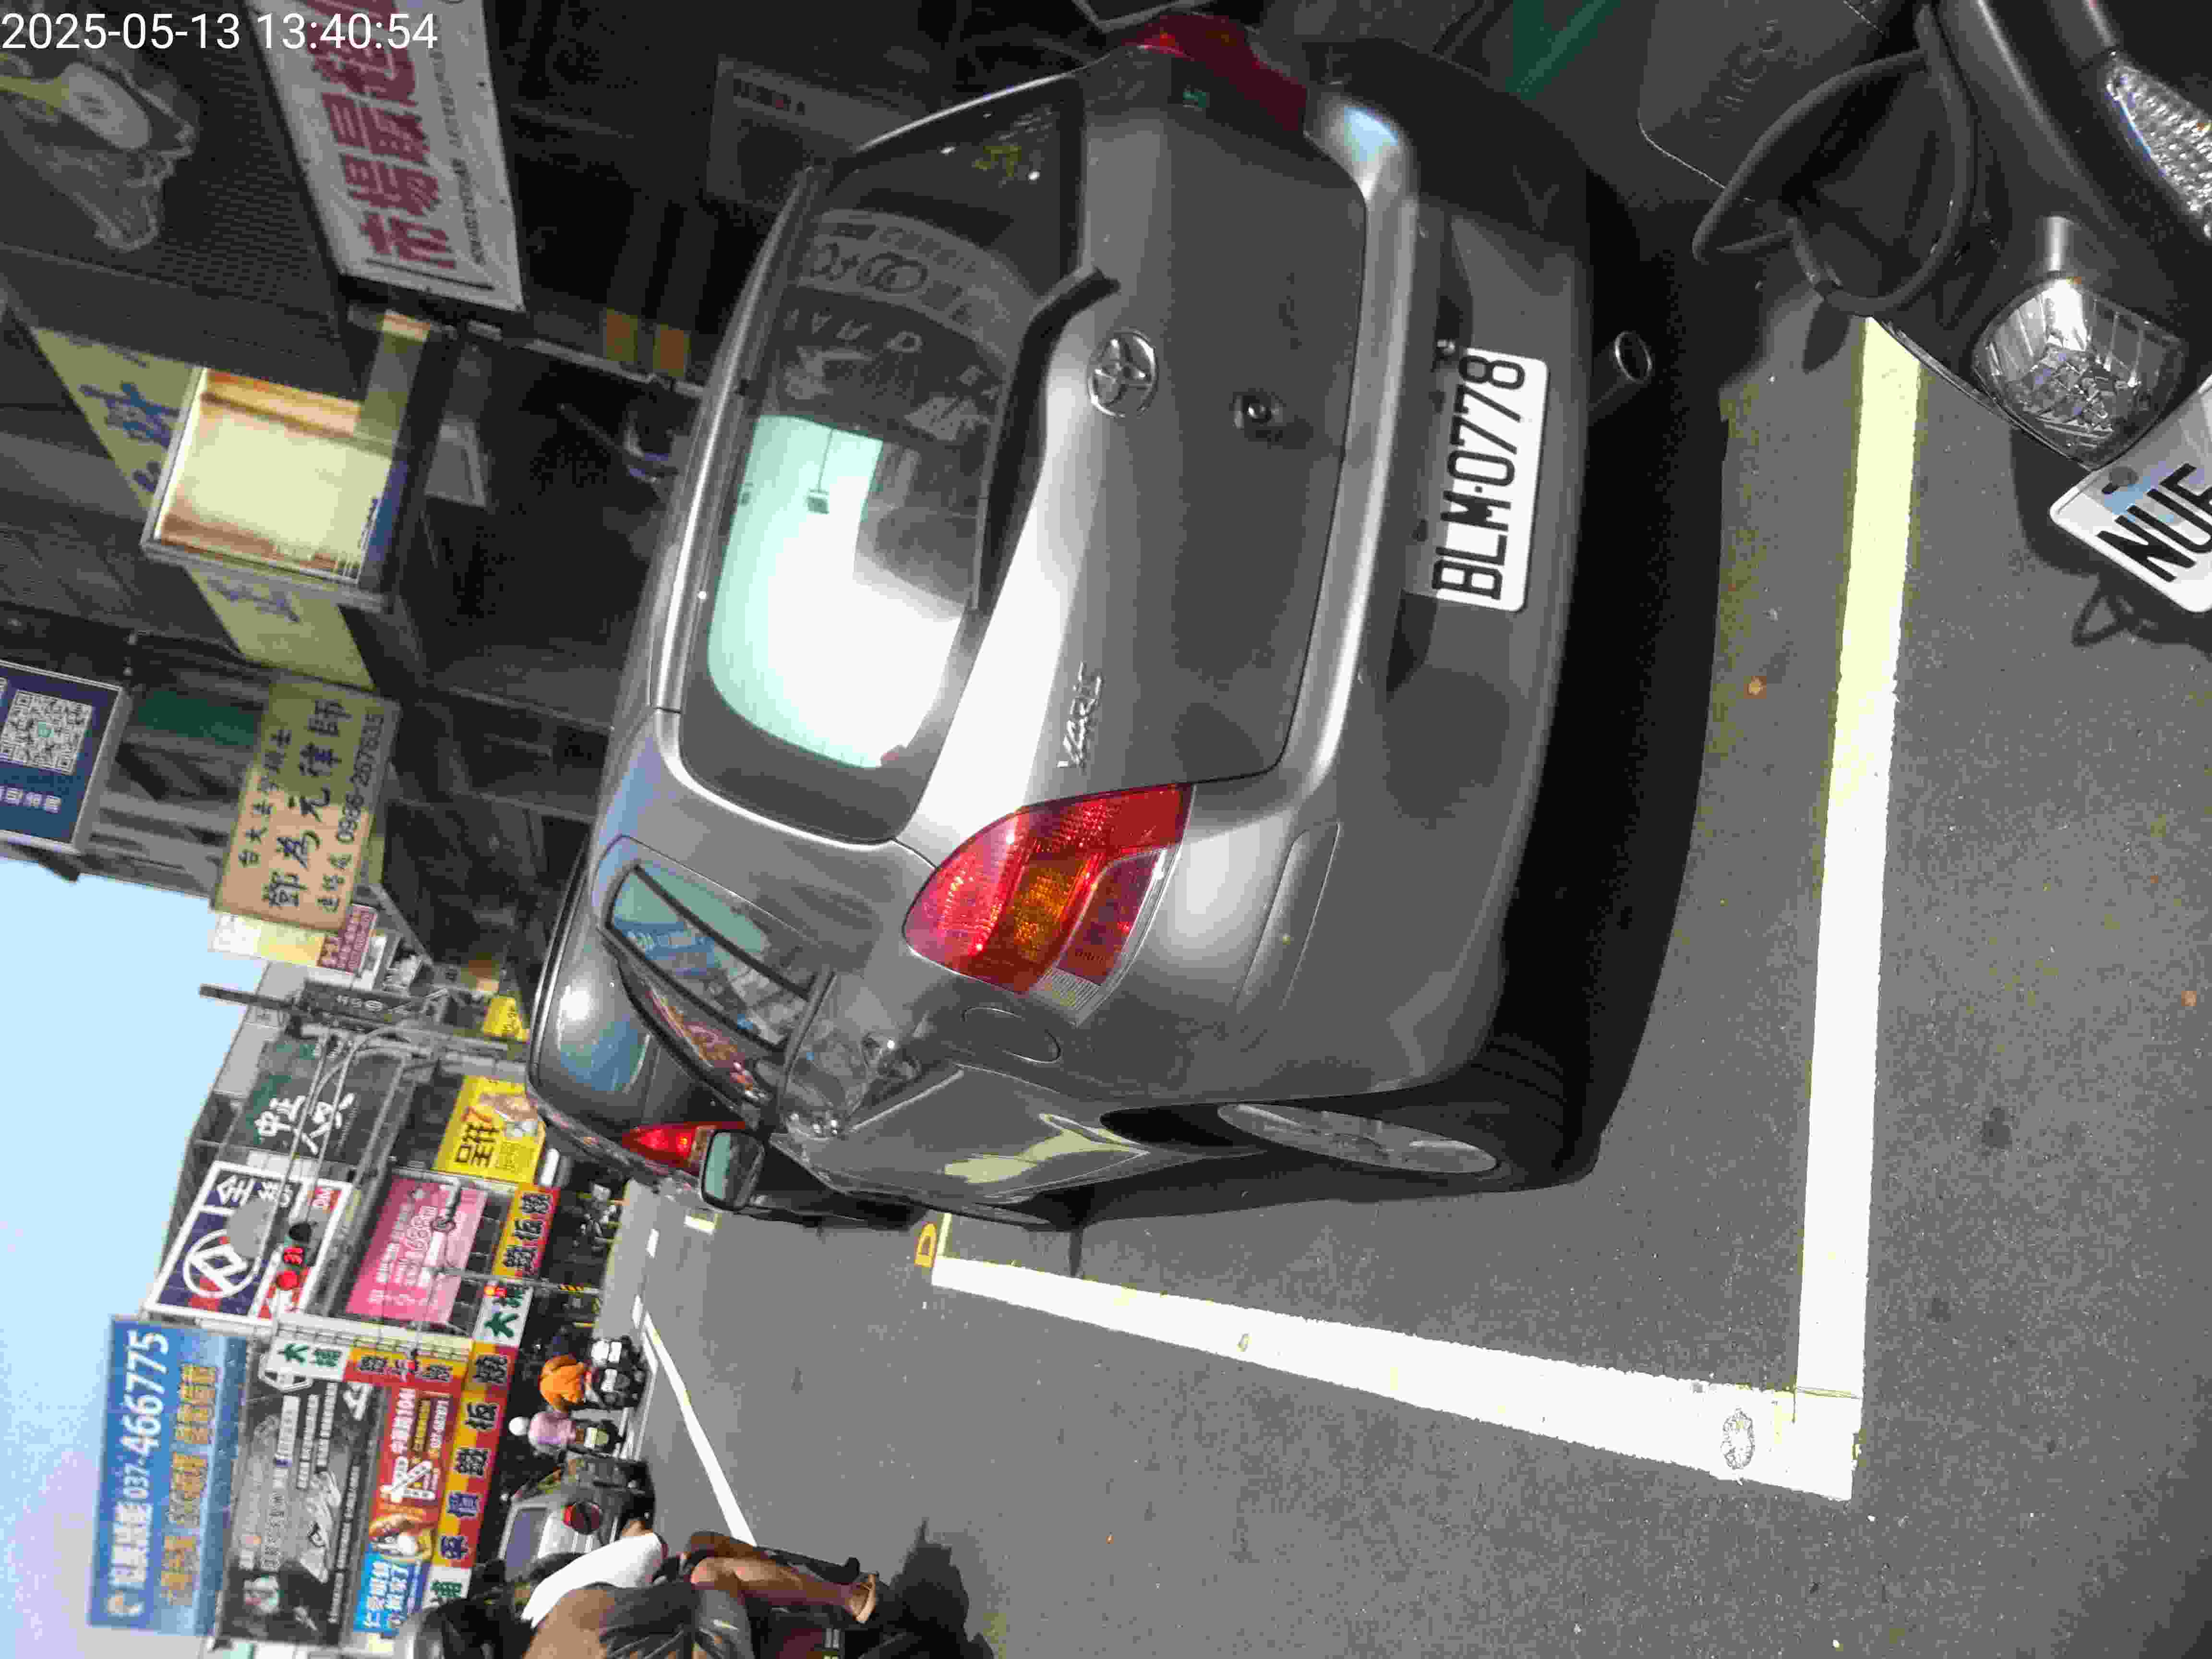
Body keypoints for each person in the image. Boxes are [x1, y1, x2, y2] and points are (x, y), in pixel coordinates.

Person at [519, 1517, 878, 1659]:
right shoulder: (564, 1610)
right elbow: (679, 1597)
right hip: (712, 1645)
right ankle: (845, 1597)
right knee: (708, 1563)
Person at [510, 1409, 618, 1456]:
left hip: (569, 1442)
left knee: (589, 1450)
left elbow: (550, 1450)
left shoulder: (533, 1440)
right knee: (593, 1425)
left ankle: (606, 1448)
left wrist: (558, 1450)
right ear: (524, 1419)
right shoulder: (538, 1417)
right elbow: (559, 1415)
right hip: (573, 1425)